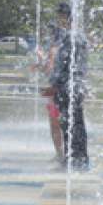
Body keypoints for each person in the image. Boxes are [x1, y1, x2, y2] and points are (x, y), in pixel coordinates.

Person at [41, 3, 90, 171]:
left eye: (60, 17)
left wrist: (53, 86)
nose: (60, 21)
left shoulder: (68, 37)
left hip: (66, 87)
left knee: (67, 124)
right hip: (78, 85)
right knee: (78, 124)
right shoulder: (82, 37)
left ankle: (69, 161)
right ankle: (82, 160)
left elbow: (63, 65)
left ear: (64, 16)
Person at [31, 22, 64, 164]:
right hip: (69, 90)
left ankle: (60, 155)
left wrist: (39, 64)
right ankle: (68, 155)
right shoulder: (68, 49)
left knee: (55, 125)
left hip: (55, 91)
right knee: (67, 124)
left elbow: (48, 69)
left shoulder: (54, 49)